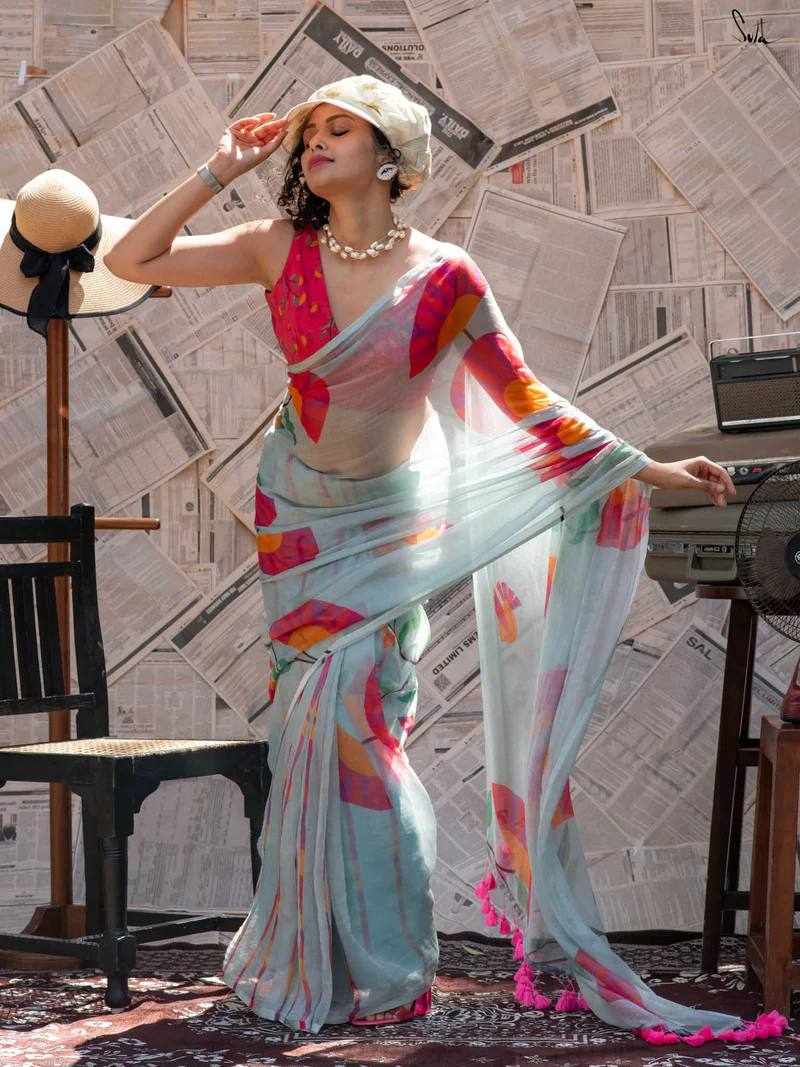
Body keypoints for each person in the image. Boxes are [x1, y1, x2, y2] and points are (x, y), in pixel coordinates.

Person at [104, 76, 787, 1045]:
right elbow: (131, 257)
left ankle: (389, 966)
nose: (313, 143)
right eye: (308, 132)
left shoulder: (444, 277)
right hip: (296, 516)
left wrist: (649, 469)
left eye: (337, 129)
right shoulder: (278, 247)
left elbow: (528, 402)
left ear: (390, 155)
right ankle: (319, 953)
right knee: (306, 731)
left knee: (360, 738)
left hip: (388, 525)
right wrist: (221, 166)